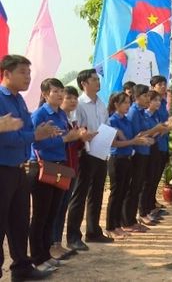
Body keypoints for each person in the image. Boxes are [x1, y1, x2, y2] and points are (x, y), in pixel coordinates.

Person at [0, 54, 59, 281]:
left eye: (29, 72)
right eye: (23, 72)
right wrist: (34, 134)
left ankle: (22, 267)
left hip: (18, 169)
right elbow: (8, 138)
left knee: (20, 220)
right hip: (2, 169)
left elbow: (24, 131)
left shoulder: (19, 100)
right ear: (7, 74)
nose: (28, 77)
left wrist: (39, 132)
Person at [28, 78, 93, 272]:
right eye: (55, 91)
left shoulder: (62, 116)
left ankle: (46, 254)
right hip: (42, 167)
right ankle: (37, 257)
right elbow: (36, 143)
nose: (59, 95)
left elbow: (68, 140)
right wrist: (66, 138)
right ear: (45, 94)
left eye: (60, 91)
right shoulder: (40, 115)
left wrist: (78, 137)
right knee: (40, 215)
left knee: (52, 214)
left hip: (59, 166)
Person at [66, 68, 111, 251]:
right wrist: (84, 133)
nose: (98, 81)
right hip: (85, 153)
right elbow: (77, 128)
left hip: (101, 151)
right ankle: (73, 236)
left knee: (97, 192)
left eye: (98, 78)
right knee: (80, 195)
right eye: (94, 79)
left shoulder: (101, 103)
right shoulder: (80, 104)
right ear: (84, 83)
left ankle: (93, 231)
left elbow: (106, 125)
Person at [122, 84, 171, 230]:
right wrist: (155, 130)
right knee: (135, 187)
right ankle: (130, 219)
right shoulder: (134, 112)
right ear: (137, 97)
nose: (147, 99)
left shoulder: (141, 112)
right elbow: (138, 135)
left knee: (143, 184)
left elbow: (149, 132)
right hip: (137, 153)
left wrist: (160, 130)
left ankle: (137, 217)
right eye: (145, 96)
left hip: (147, 150)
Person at [106, 92, 153, 239]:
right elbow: (114, 143)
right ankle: (110, 226)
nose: (127, 106)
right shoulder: (112, 121)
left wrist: (138, 140)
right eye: (125, 103)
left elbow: (132, 138)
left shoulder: (125, 120)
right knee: (115, 193)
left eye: (128, 102)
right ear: (116, 105)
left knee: (122, 192)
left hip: (127, 158)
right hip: (116, 159)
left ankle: (118, 224)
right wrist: (133, 142)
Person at [50, 86, 82, 261]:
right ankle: (52, 244)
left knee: (62, 207)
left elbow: (75, 146)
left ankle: (57, 242)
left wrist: (82, 138)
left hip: (71, 168)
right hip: (60, 168)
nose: (72, 100)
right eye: (68, 97)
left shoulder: (69, 119)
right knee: (54, 208)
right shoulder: (55, 118)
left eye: (74, 98)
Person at [149, 75, 169, 212]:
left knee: (156, 176)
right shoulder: (152, 104)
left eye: (164, 84)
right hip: (153, 144)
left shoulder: (163, 103)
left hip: (163, 144)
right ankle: (147, 205)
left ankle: (152, 202)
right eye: (159, 84)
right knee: (150, 177)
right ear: (153, 87)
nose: (163, 86)